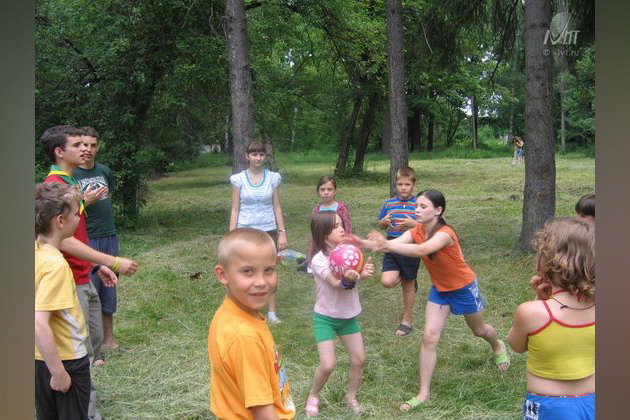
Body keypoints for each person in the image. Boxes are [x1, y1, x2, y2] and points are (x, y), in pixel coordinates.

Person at [359, 189, 510, 412]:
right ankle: (424, 393)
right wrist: (359, 241)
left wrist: (386, 244)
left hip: (463, 288)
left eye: (423, 207)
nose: (417, 210)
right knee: (429, 337)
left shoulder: (445, 233)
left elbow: (421, 249)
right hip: (440, 290)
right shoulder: (417, 229)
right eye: (416, 206)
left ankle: (497, 345)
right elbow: (396, 243)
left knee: (479, 330)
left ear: (438, 210)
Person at [40, 125, 138, 419]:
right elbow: (61, 240)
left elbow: (75, 236)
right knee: (76, 353)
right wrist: (113, 261)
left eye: (88, 144)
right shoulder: (56, 187)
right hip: (70, 280)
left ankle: (84, 405)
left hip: (84, 275)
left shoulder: (70, 183)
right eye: (77, 144)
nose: (85, 148)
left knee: (90, 348)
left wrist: (95, 265)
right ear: (59, 152)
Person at [35, 182, 113, 419]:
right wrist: (58, 372)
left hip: (39, 358)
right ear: (60, 221)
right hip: (66, 361)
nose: (80, 217)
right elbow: (38, 322)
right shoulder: (56, 265)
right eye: (76, 213)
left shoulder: (35, 252)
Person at [507, 218, 595, 420]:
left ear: (549, 265)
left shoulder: (531, 312)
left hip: (550, 407)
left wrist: (538, 300)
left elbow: (516, 345)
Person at [208, 228, 296, 419]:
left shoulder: (229, 313)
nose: (261, 282)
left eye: (269, 270)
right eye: (248, 271)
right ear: (222, 275)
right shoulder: (244, 337)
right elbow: (263, 413)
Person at [304, 212, 375, 416]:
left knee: (359, 359)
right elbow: (337, 283)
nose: (342, 228)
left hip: (347, 317)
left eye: (341, 224)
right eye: (336, 226)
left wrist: (362, 273)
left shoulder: (350, 252)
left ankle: (351, 396)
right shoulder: (319, 260)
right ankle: (314, 395)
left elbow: (353, 273)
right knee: (328, 365)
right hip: (325, 319)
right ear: (323, 232)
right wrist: (351, 278)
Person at [74, 126, 121, 356]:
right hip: (87, 238)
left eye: (93, 145)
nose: (88, 149)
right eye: (83, 145)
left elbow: (109, 193)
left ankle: (108, 340)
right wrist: (87, 202)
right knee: (90, 289)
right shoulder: (71, 175)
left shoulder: (104, 171)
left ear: (98, 148)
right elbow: (69, 212)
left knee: (109, 287)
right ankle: (91, 347)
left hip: (109, 235)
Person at [229, 141, 288, 324]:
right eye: (254, 154)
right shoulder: (238, 179)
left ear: (265, 157)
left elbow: (277, 206)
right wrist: (232, 234)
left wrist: (282, 232)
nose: (258, 158)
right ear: (247, 156)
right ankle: (246, 308)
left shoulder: (273, 178)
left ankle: (272, 312)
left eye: (261, 154)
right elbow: (235, 209)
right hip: (245, 230)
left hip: (268, 230)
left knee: (269, 269)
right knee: (245, 269)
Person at [376, 167, 421, 336]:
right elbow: (381, 223)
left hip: (410, 248)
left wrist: (414, 224)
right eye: (400, 184)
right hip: (391, 246)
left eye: (407, 184)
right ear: (395, 185)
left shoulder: (418, 204)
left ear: (413, 185)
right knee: (387, 282)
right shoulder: (389, 203)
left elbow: (427, 226)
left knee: (407, 286)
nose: (403, 188)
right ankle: (408, 277)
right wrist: (383, 222)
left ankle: (406, 321)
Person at [305, 175, 353, 271]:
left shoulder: (341, 209)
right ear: (318, 191)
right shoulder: (316, 210)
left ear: (335, 191)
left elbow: (347, 229)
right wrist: (311, 256)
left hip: (338, 245)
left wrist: (346, 247)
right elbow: (314, 233)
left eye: (329, 189)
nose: (326, 192)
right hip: (321, 246)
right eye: (322, 189)